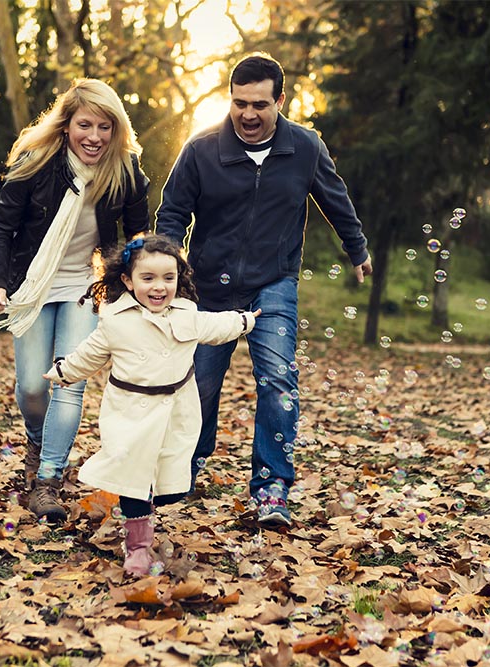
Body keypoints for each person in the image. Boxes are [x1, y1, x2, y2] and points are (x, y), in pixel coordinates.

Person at [155, 53, 373, 528]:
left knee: (278, 381)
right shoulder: (201, 149)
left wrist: (357, 249)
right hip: (208, 288)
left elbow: (336, 200)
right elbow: (172, 212)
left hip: (273, 282)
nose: (248, 115)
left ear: (280, 100)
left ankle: (272, 488)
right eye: (238, 104)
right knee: (198, 385)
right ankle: (183, 467)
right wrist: (167, 267)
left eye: (259, 104)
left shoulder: (305, 147)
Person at [0, 78, 150, 524]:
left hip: (84, 289)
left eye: (105, 127)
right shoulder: (36, 164)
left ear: (117, 130)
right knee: (33, 388)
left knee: (69, 383)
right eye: (85, 125)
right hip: (31, 288)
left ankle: (48, 479)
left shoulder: (127, 174)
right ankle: (38, 442)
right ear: (66, 125)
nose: (94, 136)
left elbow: (136, 241)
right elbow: (2, 228)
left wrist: (143, 286)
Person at [43, 233, 260, 575]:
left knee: (173, 486)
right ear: (128, 281)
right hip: (131, 411)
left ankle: (147, 508)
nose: (159, 287)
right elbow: (90, 353)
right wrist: (63, 371)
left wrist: (245, 320)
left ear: (179, 278)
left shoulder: (187, 314)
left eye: (168, 278)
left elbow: (217, 326)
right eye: (148, 278)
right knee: (135, 480)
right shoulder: (115, 320)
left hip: (176, 410)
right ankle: (138, 546)